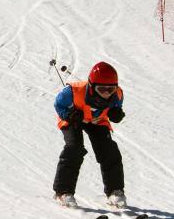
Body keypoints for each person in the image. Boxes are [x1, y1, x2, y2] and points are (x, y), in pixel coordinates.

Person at [53, 61, 127, 209]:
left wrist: (116, 113)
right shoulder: (72, 92)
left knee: (109, 149)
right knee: (74, 148)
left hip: (97, 120)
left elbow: (117, 106)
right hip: (74, 119)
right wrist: (69, 114)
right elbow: (58, 104)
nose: (106, 93)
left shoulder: (117, 94)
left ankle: (114, 191)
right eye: (102, 89)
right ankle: (63, 192)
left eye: (110, 89)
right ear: (92, 86)